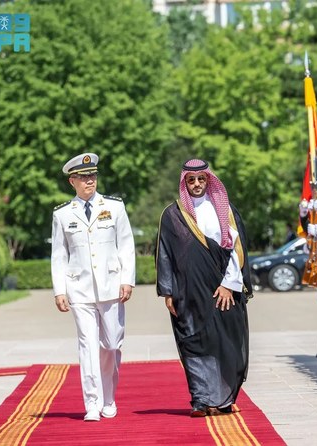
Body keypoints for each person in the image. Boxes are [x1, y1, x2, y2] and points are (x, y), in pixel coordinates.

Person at [155, 159, 252, 417]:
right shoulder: (173, 214)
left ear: (209, 180)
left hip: (223, 291)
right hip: (188, 292)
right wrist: (167, 292)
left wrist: (228, 286)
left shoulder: (225, 210)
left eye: (201, 179)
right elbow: (165, 254)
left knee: (226, 343)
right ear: (184, 183)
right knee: (193, 343)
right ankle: (200, 399)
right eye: (191, 180)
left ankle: (223, 399)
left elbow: (236, 252)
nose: (197, 184)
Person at [50, 153, 136, 422]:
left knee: (111, 344)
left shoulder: (115, 207)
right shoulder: (63, 214)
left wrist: (127, 279)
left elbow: (126, 245)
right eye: (84, 177)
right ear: (72, 181)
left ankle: (109, 397)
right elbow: (58, 255)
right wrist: (59, 290)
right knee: (87, 345)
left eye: (93, 176)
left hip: (111, 286)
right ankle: (92, 403)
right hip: (80, 289)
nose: (90, 181)